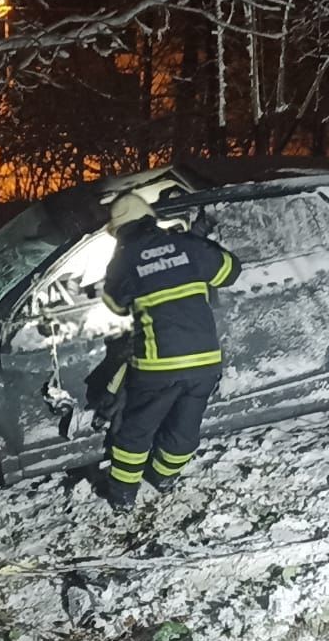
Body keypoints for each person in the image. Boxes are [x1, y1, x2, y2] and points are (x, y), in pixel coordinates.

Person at [94, 192, 240, 511]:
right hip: (204, 362)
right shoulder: (187, 245)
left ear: (120, 231)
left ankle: (122, 495)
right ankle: (163, 477)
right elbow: (231, 271)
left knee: (136, 430)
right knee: (185, 427)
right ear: (149, 216)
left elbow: (114, 305)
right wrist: (200, 241)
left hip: (158, 365)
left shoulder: (124, 260)